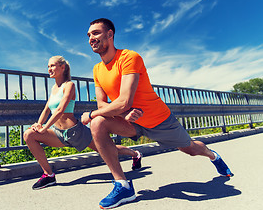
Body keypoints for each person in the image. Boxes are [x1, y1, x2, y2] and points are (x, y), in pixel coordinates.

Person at [81, 18, 233, 209]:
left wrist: (94, 113)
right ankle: (122, 185)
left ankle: (213, 156)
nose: (90, 39)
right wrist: (119, 115)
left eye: (95, 33)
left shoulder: (129, 57)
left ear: (110, 34)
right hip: (131, 122)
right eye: (88, 35)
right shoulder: (97, 69)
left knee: (191, 149)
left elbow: (124, 100)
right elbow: (102, 103)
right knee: (98, 123)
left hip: (159, 120)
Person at [24, 55, 142, 190]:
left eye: (52, 66)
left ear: (62, 67)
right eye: (48, 66)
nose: (49, 69)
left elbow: (61, 109)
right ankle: (48, 175)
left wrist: (45, 128)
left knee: (109, 149)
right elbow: (46, 109)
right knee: (29, 135)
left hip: (76, 132)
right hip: (57, 133)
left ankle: (135, 154)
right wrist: (39, 124)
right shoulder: (53, 88)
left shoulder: (70, 85)